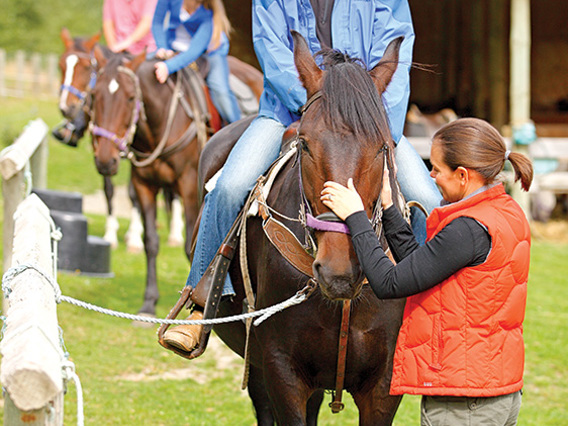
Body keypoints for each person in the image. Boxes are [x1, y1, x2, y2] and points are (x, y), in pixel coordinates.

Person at [162, 0, 442, 353]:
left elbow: (395, 57)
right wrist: (316, 103)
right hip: (288, 110)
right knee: (230, 186)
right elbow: (271, 49)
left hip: (367, 119)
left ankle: (426, 311)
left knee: (429, 201)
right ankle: (200, 304)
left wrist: (363, 115)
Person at [320, 118, 533, 426]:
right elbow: (425, 268)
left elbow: (389, 282)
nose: (431, 176)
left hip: (463, 404)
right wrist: (391, 211)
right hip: (495, 389)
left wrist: (356, 216)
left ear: (462, 175)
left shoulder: (468, 229)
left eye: (436, 169)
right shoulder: (505, 211)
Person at [151, 0, 241, 124]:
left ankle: (237, 127)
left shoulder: (208, 13)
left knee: (221, 91)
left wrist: (168, 67)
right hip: (174, 47)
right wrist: (162, 47)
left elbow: (194, 51)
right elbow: (157, 22)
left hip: (208, 52)